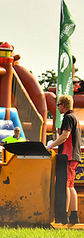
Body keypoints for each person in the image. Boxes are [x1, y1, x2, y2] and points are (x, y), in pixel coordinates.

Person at [47, 95, 81, 224]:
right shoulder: (75, 118)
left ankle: (63, 217)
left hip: (68, 155)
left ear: (63, 105)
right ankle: (73, 217)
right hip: (74, 156)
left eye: (58, 105)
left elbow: (65, 136)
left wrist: (50, 145)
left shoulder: (67, 117)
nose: (57, 107)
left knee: (65, 185)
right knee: (71, 186)